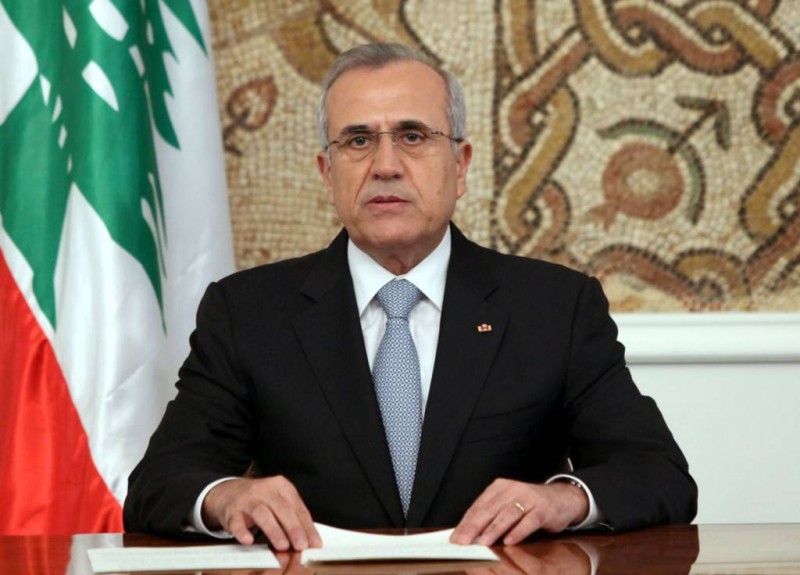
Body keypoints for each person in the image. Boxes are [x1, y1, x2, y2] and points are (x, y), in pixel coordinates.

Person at [123, 43, 697, 550]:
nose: (386, 166)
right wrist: (226, 496)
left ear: (460, 165)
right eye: (358, 141)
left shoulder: (554, 308)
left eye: (413, 136)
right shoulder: (248, 312)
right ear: (327, 173)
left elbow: (658, 474)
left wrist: (563, 499)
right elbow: (159, 483)